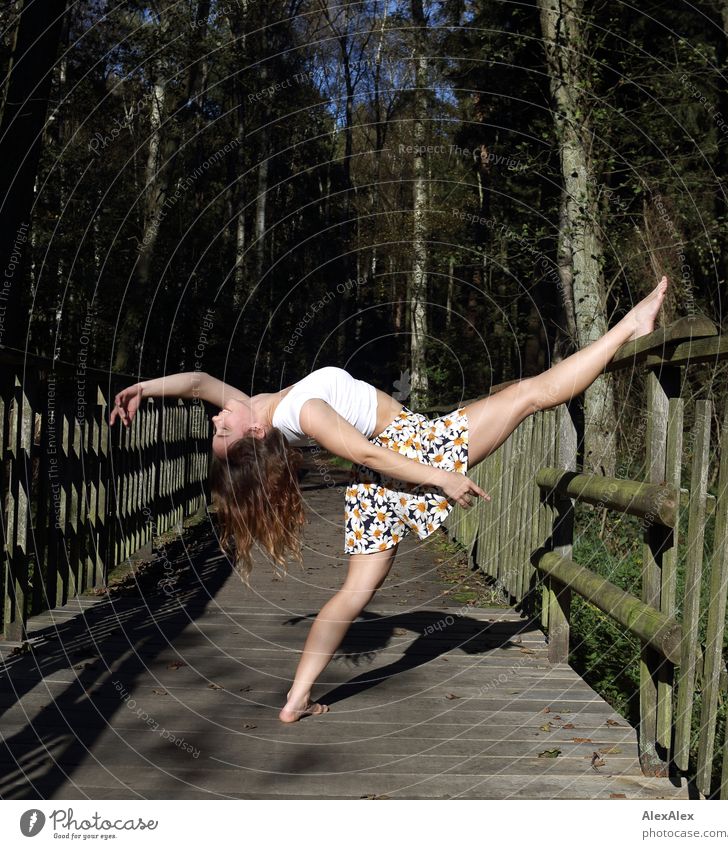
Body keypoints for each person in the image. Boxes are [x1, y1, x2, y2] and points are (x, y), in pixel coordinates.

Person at [110, 275, 669, 722]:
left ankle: (295, 700)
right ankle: (627, 326)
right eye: (221, 431)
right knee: (527, 393)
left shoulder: (257, 408)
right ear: (252, 438)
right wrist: (439, 477)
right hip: (408, 451)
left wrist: (145, 389)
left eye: (215, 425)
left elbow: (200, 381)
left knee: (353, 592)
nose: (216, 418)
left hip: (373, 485)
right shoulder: (299, 414)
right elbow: (373, 454)